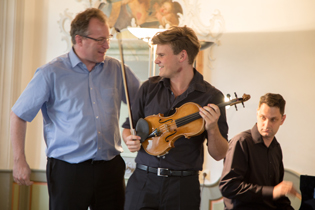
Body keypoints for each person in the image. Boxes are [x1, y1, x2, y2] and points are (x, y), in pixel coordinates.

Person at [10, 8, 140, 210]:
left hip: (110, 169)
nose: (107, 45)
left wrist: (129, 130)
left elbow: (142, 104)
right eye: (100, 40)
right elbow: (18, 115)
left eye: (108, 38)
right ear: (79, 40)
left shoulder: (117, 69)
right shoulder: (50, 73)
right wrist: (19, 161)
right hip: (67, 171)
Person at [122, 26, 229, 210]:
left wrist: (212, 128)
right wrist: (129, 139)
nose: (156, 61)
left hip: (183, 188)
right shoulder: (148, 88)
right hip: (143, 182)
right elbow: (127, 127)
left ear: (182, 56)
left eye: (162, 55)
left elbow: (219, 153)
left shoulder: (211, 97)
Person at [219, 93, 298, 210]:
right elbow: (228, 187)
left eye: (273, 119)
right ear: (257, 114)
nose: (267, 124)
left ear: (282, 119)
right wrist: (271, 192)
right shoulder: (241, 142)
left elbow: (277, 195)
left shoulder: (276, 148)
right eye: (263, 117)